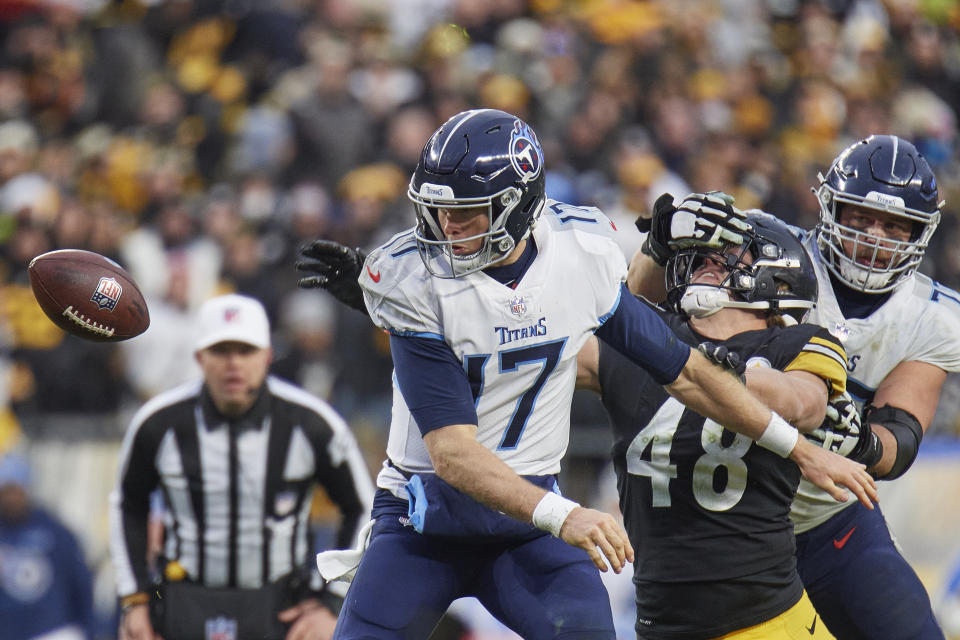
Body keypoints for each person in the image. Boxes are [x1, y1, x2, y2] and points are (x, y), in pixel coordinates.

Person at [296, 108, 876, 640]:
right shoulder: (412, 282)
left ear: (519, 205)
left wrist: (799, 450)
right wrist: (566, 514)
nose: (447, 228)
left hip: (525, 526)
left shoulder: (579, 257)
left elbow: (689, 376)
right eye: (439, 211)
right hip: (425, 518)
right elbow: (451, 455)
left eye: (467, 214)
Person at [628, 135, 960, 639]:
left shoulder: (931, 318)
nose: (875, 237)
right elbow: (643, 293)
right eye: (861, 217)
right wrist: (663, 241)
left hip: (825, 523)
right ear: (829, 208)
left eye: (894, 226)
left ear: (921, 232)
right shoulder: (770, 247)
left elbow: (901, 437)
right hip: (728, 523)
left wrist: (862, 443)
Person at [579, 213, 846, 638]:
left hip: (768, 620)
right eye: (702, 256)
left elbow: (803, 403)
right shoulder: (650, 337)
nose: (707, 262)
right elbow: (541, 356)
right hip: (662, 622)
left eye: (727, 257)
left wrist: (704, 371)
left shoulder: (795, 342)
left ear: (778, 280)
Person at [109, 293, 375, 640]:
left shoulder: (311, 424)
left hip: (283, 610)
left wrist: (332, 601)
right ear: (199, 357)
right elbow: (127, 505)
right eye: (221, 351)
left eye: (245, 351)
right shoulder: (158, 424)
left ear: (267, 356)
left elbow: (364, 508)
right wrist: (136, 600)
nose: (233, 364)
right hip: (182, 605)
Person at [0, 450, 95, 640]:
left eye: (16, 490)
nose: (11, 498)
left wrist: (90, 629)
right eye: (6, 491)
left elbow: (81, 585)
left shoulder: (55, 532)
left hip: (52, 630)